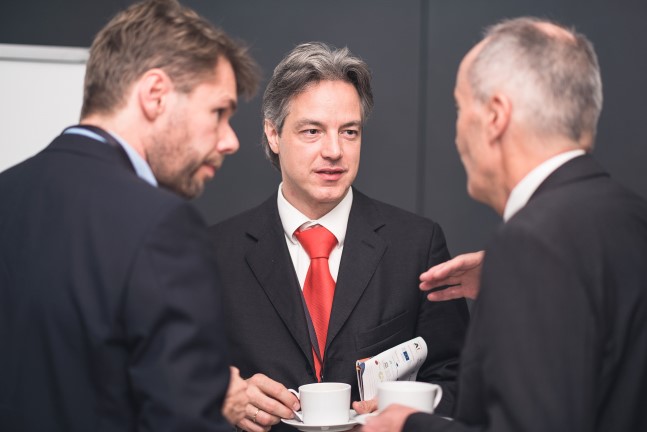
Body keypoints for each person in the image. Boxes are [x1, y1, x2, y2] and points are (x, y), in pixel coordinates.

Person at [364, 16, 647, 432]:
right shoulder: (631, 216)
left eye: (460, 108)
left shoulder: (534, 244)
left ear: (495, 116)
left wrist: (407, 426)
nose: (457, 134)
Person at [0, 0, 260, 431]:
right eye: (218, 112)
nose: (230, 140)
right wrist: (214, 406)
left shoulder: (7, 193)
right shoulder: (161, 225)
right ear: (155, 95)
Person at [208, 42, 470, 432]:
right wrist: (229, 401)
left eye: (349, 132)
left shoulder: (417, 245)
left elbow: (457, 378)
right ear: (273, 134)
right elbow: (180, 383)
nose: (334, 151)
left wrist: (409, 413)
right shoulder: (213, 253)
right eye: (312, 131)